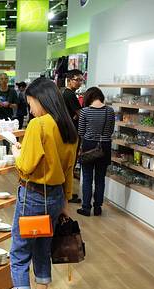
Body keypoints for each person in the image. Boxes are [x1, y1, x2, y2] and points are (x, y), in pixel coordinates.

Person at [6, 77, 78, 289]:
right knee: (43, 249)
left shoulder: (39, 125)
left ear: (40, 99)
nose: (31, 108)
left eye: (31, 103)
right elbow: (68, 170)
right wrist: (65, 201)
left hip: (34, 196)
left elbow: (26, 166)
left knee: (19, 254)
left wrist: (17, 153)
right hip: (56, 197)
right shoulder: (68, 129)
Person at [76, 87, 115, 217]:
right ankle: (98, 207)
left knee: (87, 177)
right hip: (105, 146)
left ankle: (86, 208)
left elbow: (81, 132)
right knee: (100, 178)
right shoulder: (110, 111)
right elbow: (110, 130)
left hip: (89, 145)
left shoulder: (85, 111)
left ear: (88, 97)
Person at [62, 69, 85, 204]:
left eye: (81, 80)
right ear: (69, 80)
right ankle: (67, 194)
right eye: (77, 80)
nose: (80, 83)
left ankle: (67, 193)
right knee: (70, 163)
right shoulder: (70, 95)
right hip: (72, 132)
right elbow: (80, 114)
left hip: (68, 131)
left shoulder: (65, 93)